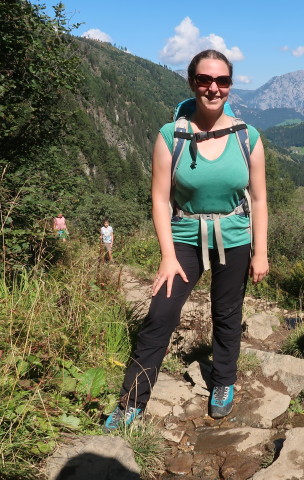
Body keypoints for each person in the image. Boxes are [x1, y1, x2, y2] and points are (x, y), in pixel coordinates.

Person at [103, 49, 269, 432]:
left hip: (234, 235)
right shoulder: (172, 135)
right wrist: (166, 255)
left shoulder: (248, 137)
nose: (213, 88)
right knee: (160, 314)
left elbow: (259, 199)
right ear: (192, 82)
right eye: (204, 80)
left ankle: (223, 381)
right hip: (184, 237)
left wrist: (260, 251)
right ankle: (132, 402)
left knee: (227, 314)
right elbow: (160, 198)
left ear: (230, 85)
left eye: (222, 81)